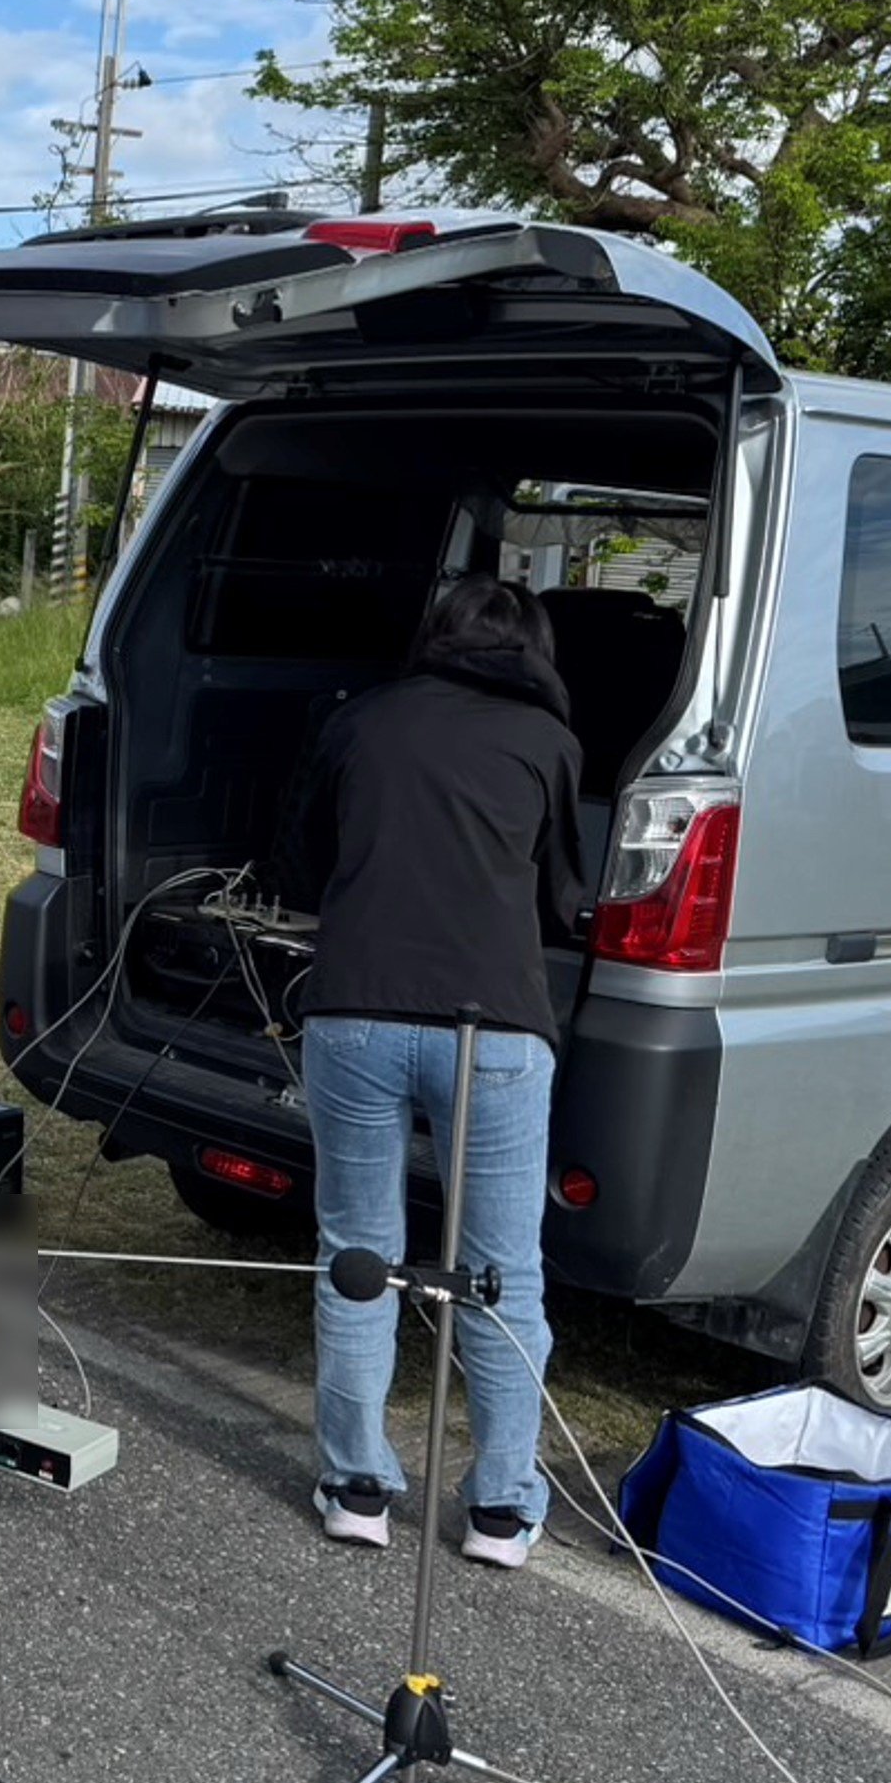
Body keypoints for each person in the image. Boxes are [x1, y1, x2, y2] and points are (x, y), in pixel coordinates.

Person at [284, 575, 589, 1568]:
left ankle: (356, 1488)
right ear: (534, 651)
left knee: (356, 1256)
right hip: (493, 1028)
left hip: (353, 1012)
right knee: (501, 1277)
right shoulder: (548, 744)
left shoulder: (361, 720)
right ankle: (500, 1510)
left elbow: (297, 867)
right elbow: (562, 899)